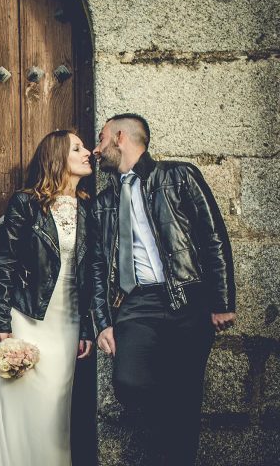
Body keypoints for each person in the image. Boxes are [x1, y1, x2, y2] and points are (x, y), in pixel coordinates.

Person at [89, 113, 236, 465]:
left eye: (101, 139)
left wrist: (223, 300)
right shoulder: (103, 204)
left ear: (119, 137)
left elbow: (213, 236)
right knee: (128, 383)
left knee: (186, 402)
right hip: (137, 304)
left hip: (188, 299)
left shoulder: (178, 176)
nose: (96, 150)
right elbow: (96, 267)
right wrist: (103, 322)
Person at [0, 130, 95, 466]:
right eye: (77, 148)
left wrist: (87, 327)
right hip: (27, 317)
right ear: (58, 158)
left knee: (55, 413)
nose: (87, 153)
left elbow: (93, 272)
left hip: (67, 321)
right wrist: (1, 318)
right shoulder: (25, 203)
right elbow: (6, 261)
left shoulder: (89, 207)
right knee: (17, 404)